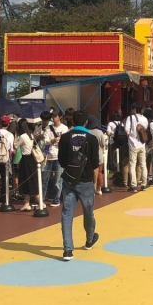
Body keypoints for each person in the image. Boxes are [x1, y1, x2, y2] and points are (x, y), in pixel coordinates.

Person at [59, 110, 101, 261]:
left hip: (69, 181)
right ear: (86, 122)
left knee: (67, 214)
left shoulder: (64, 138)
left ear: (71, 121)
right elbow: (96, 163)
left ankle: (67, 250)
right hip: (86, 181)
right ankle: (90, 238)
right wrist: (95, 182)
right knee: (88, 212)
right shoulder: (92, 139)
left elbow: (62, 161)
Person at [42, 111, 68, 206]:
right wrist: (55, 140)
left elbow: (64, 141)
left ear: (60, 117)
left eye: (55, 116)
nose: (54, 118)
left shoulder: (64, 128)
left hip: (59, 156)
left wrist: (52, 141)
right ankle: (42, 199)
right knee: (45, 179)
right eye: (52, 116)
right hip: (48, 156)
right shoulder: (48, 128)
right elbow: (46, 141)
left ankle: (56, 199)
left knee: (58, 180)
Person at [15, 119, 40, 210]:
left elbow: (15, 146)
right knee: (29, 181)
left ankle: (41, 203)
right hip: (31, 159)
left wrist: (15, 136)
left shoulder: (22, 136)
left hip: (26, 160)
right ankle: (26, 203)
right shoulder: (30, 135)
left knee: (28, 181)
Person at [125, 105, 149, 192]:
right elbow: (146, 129)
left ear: (134, 110)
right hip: (142, 144)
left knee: (132, 165)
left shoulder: (130, 118)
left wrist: (130, 133)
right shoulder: (145, 119)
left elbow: (126, 129)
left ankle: (133, 185)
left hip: (132, 144)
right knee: (143, 164)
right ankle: (144, 184)